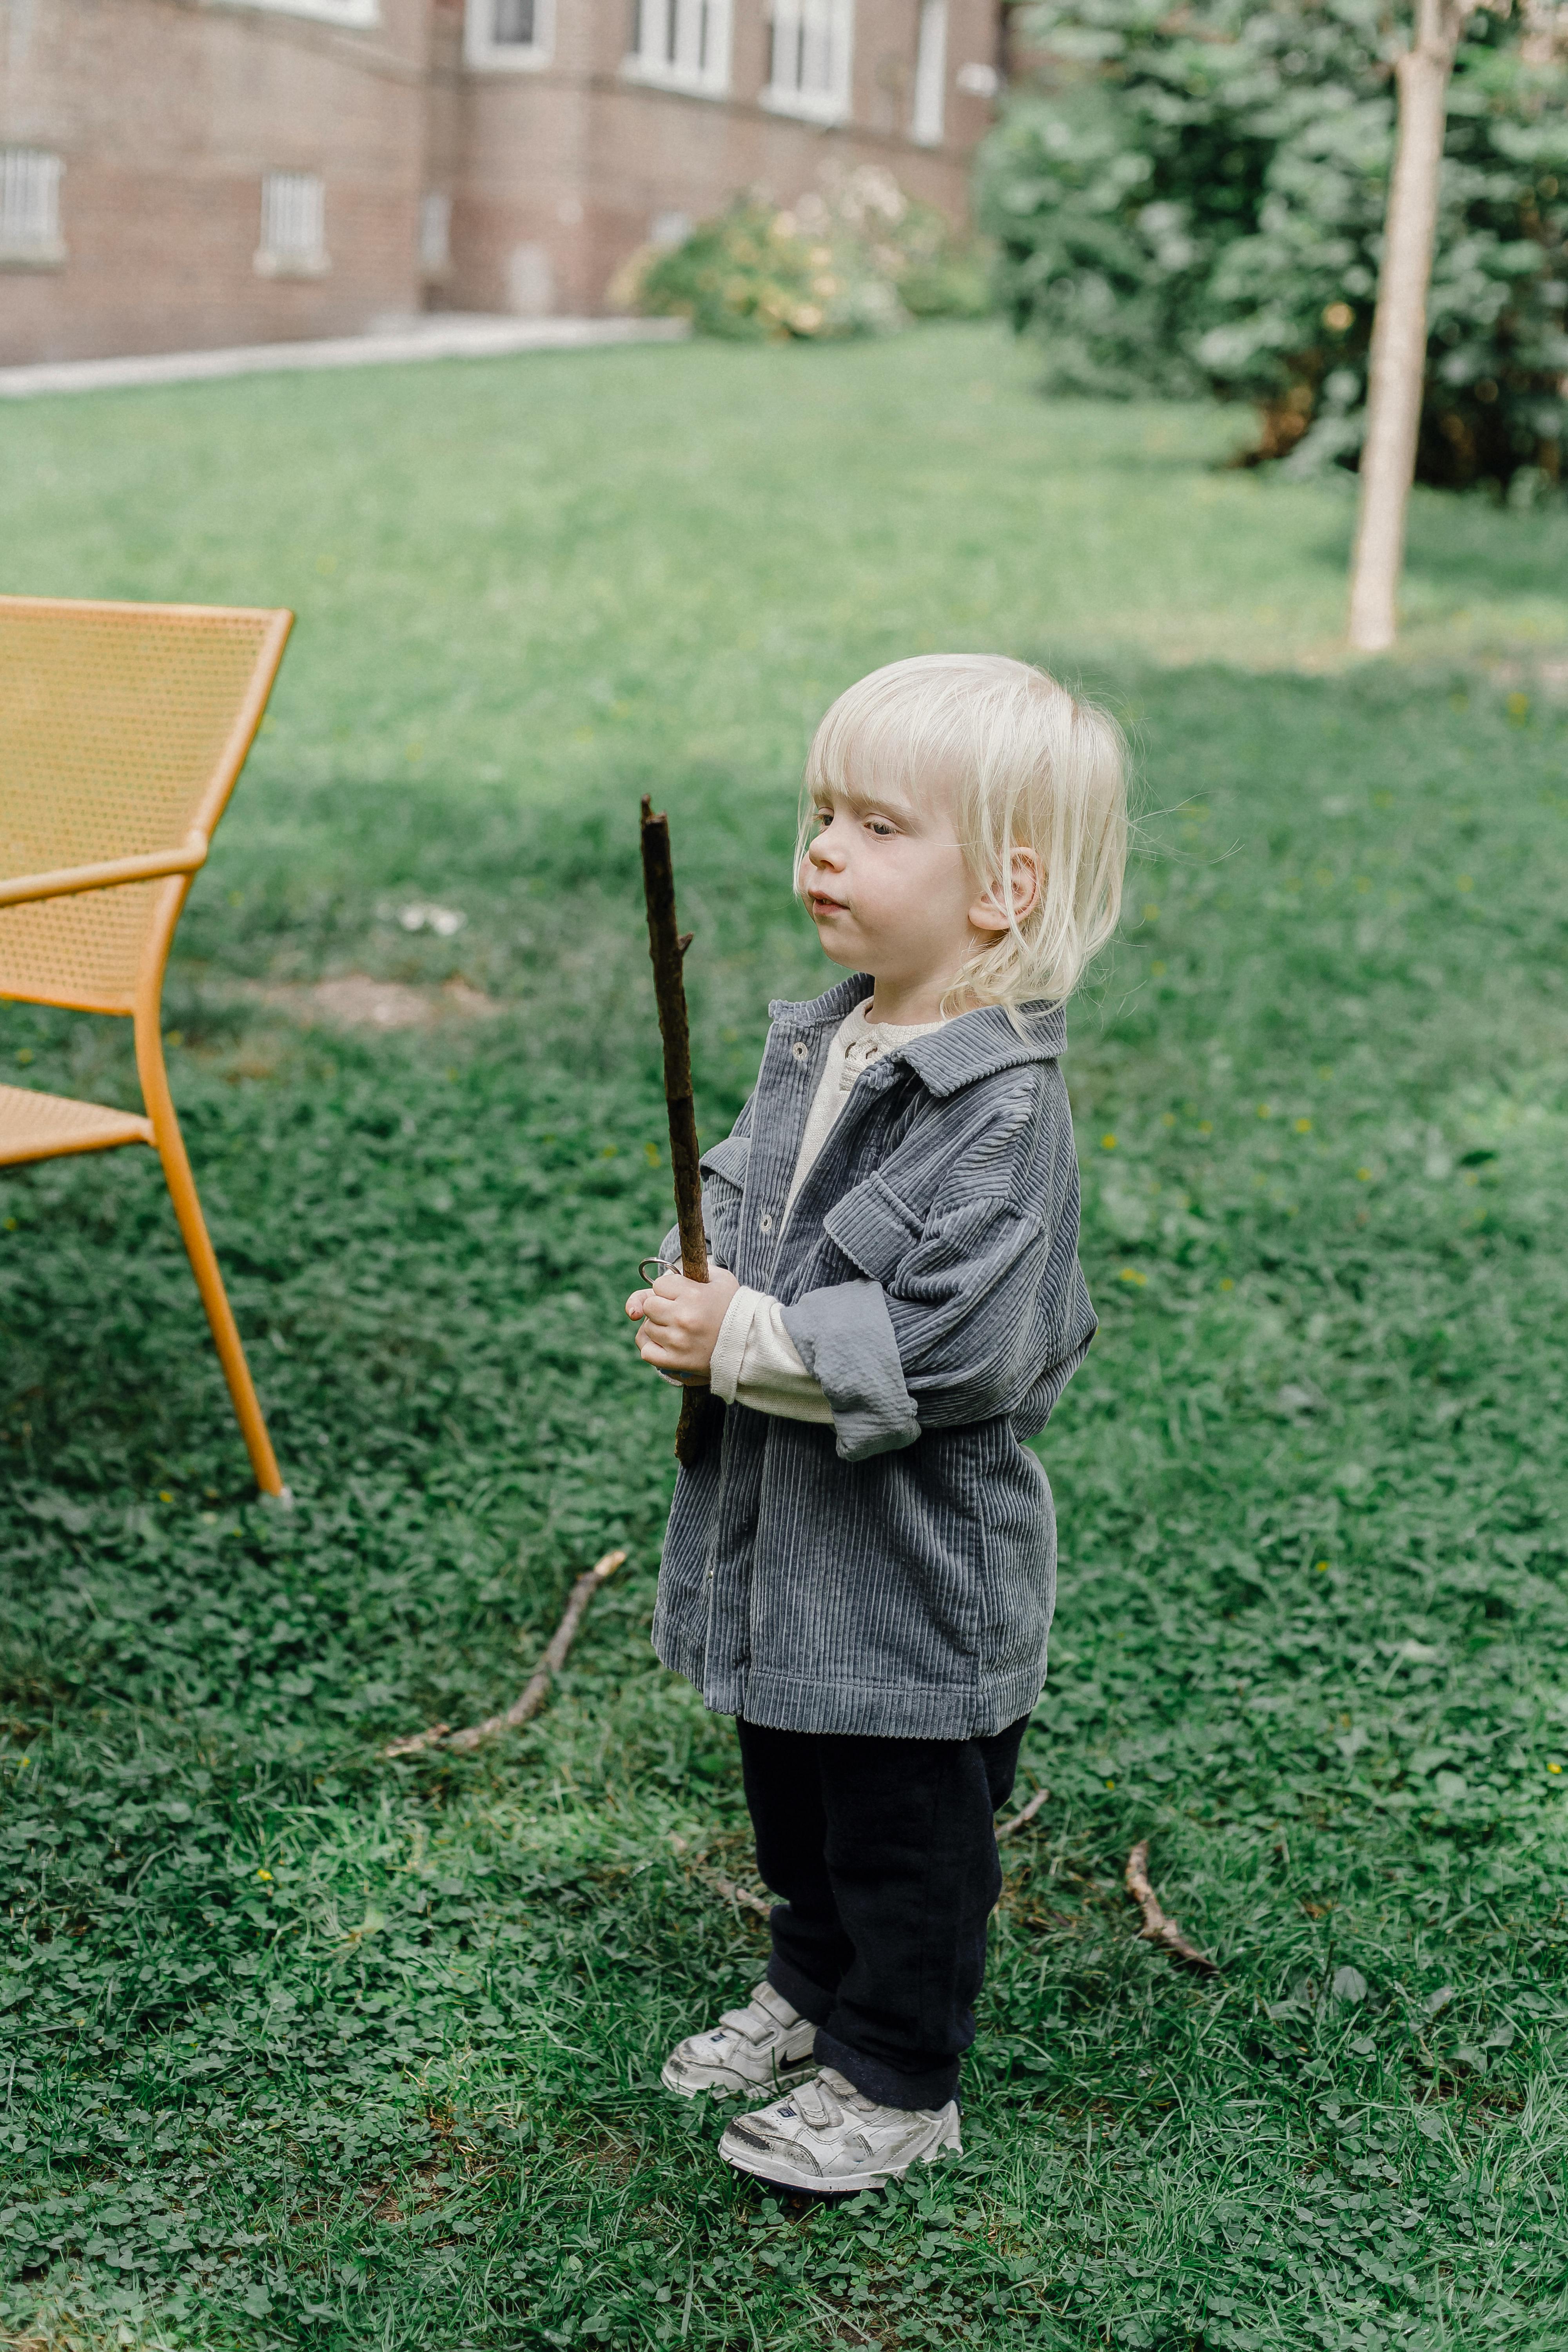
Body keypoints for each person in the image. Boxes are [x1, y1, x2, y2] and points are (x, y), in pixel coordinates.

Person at [625, 653, 1128, 2194]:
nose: (824, 850)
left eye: (877, 826)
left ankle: (896, 2075)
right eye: (819, 812)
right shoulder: (829, 1038)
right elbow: (736, 1186)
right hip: (790, 1545)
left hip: (913, 1577)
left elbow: (956, 1351)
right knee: (799, 1792)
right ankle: (811, 1978)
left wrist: (750, 1340)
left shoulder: (1000, 1113)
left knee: (907, 1838)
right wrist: (689, 1275)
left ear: (1003, 889)